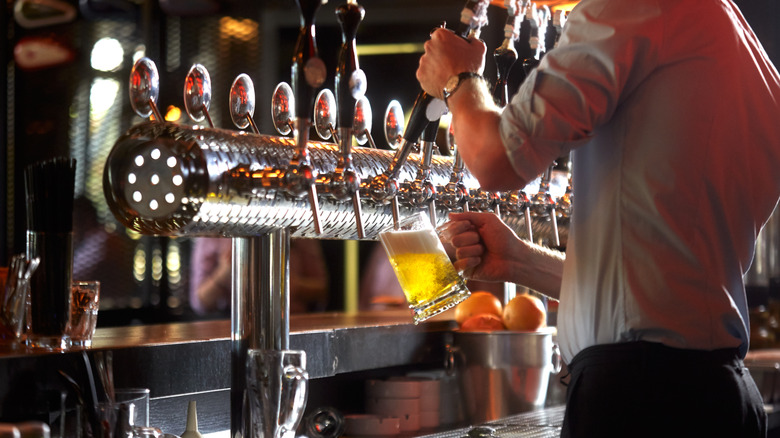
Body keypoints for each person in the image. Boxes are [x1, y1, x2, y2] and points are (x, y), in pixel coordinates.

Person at [416, 0, 780, 436]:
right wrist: (520, 261)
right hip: (718, 393)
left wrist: (459, 81)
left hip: (642, 399)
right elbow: (661, 283)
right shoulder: (750, 54)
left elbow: (496, 159)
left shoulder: (633, 7)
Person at [189, 237, 329, 315]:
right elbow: (199, 302)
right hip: (232, 325)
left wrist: (291, 285)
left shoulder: (296, 224)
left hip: (290, 322)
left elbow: (322, 290)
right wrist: (224, 273)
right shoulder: (212, 231)